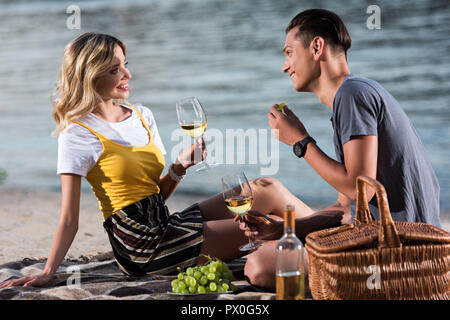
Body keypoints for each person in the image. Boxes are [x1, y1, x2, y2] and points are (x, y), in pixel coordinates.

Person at [0, 32, 318, 289]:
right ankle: (336, 248)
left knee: (266, 187)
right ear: (91, 77)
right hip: (141, 247)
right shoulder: (78, 134)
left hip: (165, 223)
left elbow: (154, 195)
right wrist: (49, 271)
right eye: (115, 70)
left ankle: (337, 232)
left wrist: (178, 168)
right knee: (259, 230)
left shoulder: (142, 115)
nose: (128, 74)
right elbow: (69, 218)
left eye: (125, 64)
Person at [241, 8, 441, 290]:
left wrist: (301, 142)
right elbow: (344, 207)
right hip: (393, 241)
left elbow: (364, 188)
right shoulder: (352, 96)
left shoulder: (352, 95)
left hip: (403, 252)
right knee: (268, 252)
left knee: (259, 265)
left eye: (289, 53)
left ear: (316, 47)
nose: (285, 66)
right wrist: (284, 230)